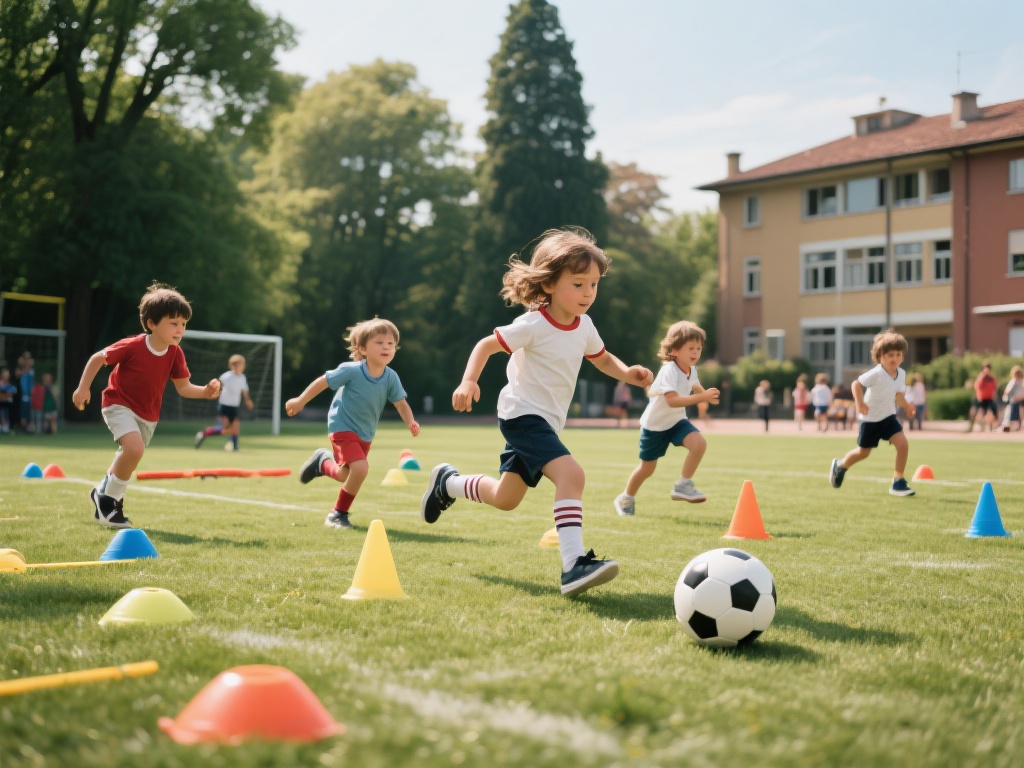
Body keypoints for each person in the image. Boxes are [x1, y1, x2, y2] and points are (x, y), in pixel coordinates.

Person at [419, 228, 653, 597]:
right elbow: (485, 345)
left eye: (593, 284)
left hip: (546, 423)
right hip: (521, 415)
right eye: (578, 284)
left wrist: (626, 373)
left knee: (505, 498)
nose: (588, 293)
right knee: (571, 474)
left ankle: (447, 483)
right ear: (547, 284)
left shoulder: (584, 326)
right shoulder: (534, 324)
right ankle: (574, 564)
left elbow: (602, 358)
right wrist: (468, 381)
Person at [73, 283, 221, 528]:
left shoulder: (175, 353)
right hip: (117, 403)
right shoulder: (132, 346)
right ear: (152, 324)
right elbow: (98, 357)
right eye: (174, 323)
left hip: (148, 416)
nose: (180, 329)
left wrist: (205, 392)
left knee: (130, 455)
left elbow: (184, 388)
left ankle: (102, 494)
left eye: (183, 324)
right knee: (134, 449)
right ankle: (109, 504)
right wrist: (83, 387)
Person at [286, 318, 420, 530]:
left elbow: (401, 404)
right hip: (342, 425)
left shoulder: (391, 377)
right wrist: (300, 400)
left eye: (391, 343)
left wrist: (410, 421)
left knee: (345, 475)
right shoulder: (351, 370)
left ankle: (322, 463)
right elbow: (323, 381)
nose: (386, 347)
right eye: (379, 342)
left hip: (365, 433)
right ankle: (337, 514)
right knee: (361, 468)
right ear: (362, 348)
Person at [612, 320, 719, 517]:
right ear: (675, 350)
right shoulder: (669, 369)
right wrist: (702, 397)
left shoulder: (691, 369)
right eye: (691, 348)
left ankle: (683, 485)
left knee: (699, 444)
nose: (696, 353)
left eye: (698, 348)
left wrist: (707, 397)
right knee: (647, 468)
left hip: (677, 422)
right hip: (655, 426)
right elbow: (673, 401)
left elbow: (696, 387)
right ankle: (626, 497)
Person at [829, 329, 916, 497]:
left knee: (903, 444)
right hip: (870, 419)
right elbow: (856, 384)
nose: (895, 358)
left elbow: (898, 396)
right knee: (863, 452)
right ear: (880, 356)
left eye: (898, 354)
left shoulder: (901, 374)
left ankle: (898, 482)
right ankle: (841, 466)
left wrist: (907, 406)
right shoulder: (877, 373)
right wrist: (859, 403)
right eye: (890, 355)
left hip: (888, 417)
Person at [195, 354, 254, 451]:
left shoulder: (242, 377)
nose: (243, 366)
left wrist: (247, 400)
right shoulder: (226, 376)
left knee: (235, 428)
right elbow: (219, 389)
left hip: (234, 406)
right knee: (225, 429)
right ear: (234, 365)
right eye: (241, 364)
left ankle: (234, 448)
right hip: (225, 405)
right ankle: (204, 434)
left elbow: (244, 390)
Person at [967, 361, 998, 432]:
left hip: (989, 398)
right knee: (978, 413)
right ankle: (972, 427)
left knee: (990, 414)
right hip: (981, 398)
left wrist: (994, 396)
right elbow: (977, 386)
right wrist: (982, 377)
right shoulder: (981, 376)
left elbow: (994, 388)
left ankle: (990, 428)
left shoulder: (992, 378)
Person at [1000, 365, 1024, 432]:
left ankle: (1018, 427)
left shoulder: (1021, 381)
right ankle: (1008, 427)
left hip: (1021, 402)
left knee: (1020, 416)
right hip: (1014, 402)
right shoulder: (1013, 382)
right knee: (1011, 416)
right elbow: (1007, 392)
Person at [18, 352, 34, 432]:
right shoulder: (21, 370)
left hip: (30, 396)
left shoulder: (31, 371)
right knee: (23, 413)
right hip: (24, 395)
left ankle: (28, 428)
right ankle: (23, 428)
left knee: (29, 413)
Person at [0, 368, 15, 433]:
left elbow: (13, 391)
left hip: (8, 401)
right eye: (5, 374)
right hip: (1, 401)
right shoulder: (0, 382)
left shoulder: (10, 382)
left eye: (8, 374)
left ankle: (9, 428)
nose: (7, 375)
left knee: (10, 414)